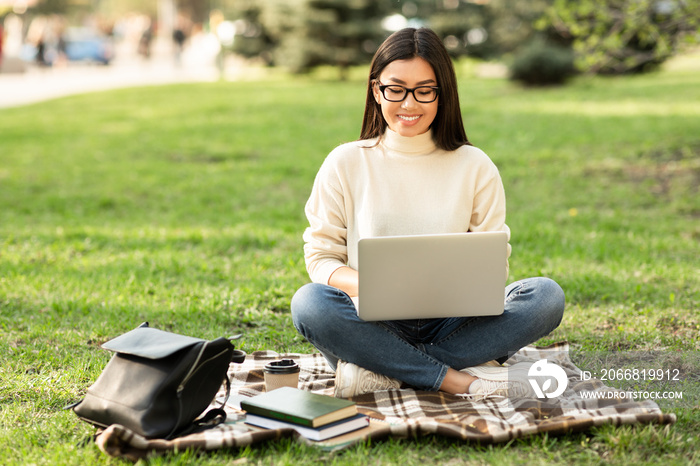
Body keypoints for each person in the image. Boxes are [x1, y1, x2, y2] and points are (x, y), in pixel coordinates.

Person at [291, 28, 565, 400]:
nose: (409, 104)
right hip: (372, 321)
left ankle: (383, 372)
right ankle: (459, 379)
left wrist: (446, 291)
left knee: (545, 296)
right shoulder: (346, 162)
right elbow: (322, 258)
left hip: (453, 322)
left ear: (442, 94)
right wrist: (376, 287)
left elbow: (492, 267)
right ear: (376, 90)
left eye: (424, 90)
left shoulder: (475, 166)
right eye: (396, 89)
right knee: (309, 304)